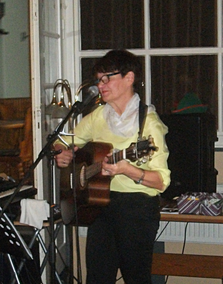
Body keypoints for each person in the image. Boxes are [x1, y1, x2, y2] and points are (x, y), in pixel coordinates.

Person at [54, 49, 171, 284]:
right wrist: (62, 153)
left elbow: (161, 182)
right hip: (101, 207)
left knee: (136, 278)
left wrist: (129, 170)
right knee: (97, 278)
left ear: (129, 78)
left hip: (136, 209)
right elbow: (62, 140)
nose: (101, 85)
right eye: (99, 79)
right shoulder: (99, 115)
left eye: (108, 78)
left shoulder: (149, 123)